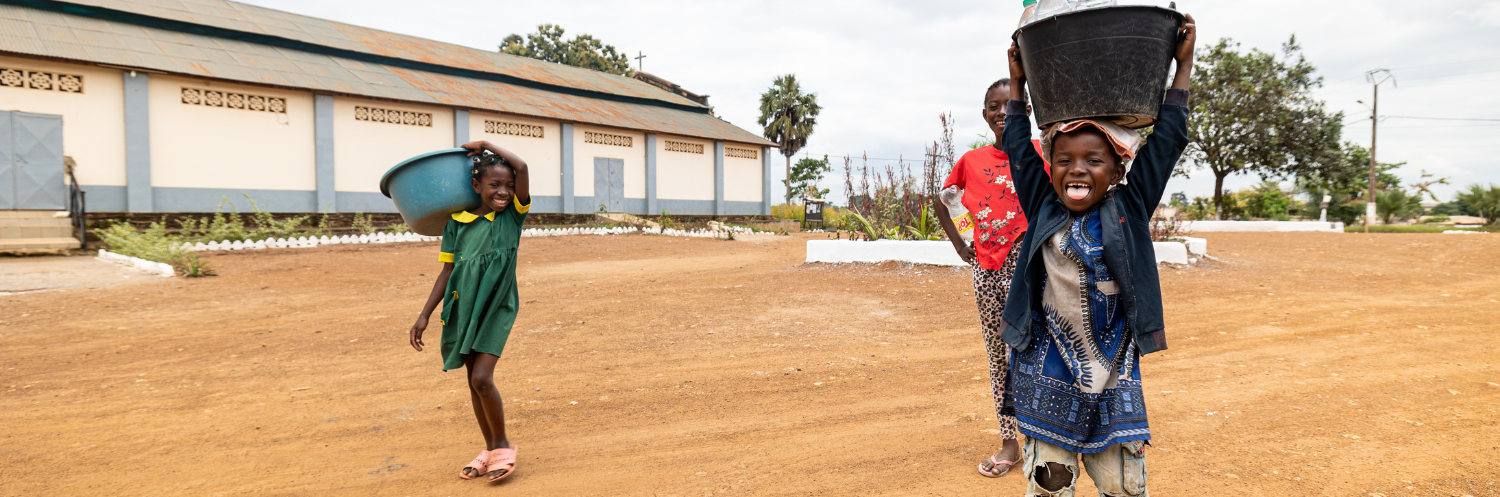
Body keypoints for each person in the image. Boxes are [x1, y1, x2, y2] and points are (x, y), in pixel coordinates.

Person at [999, 13, 1196, 497]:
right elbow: (1019, 152)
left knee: (1124, 487)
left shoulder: (1129, 206)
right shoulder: (1044, 206)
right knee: (1051, 486)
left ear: (1117, 168)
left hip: (1114, 375)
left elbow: (1166, 141)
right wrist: (1019, 85)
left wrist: (1182, 68)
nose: (1076, 170)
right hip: (1046, 370)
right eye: (1064, 160)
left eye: (1093, 160)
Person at [407, 140, 531, 483]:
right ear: (476, 186)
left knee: (482, 378)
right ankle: (491, 449)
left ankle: (504, 445)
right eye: (494, 185)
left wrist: (488, 147)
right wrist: (424, 314)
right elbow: (446, 272)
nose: (504, 192)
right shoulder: (456, 224)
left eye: (508, 186)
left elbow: (521, 168)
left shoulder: (513, 218)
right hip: (464, 306)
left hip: (497, 305)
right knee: (472, 383)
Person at [934, 78, 1032, 479]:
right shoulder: (971, 162)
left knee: (1039, 349)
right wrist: (962, 245)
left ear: (1024, 111)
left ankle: (1048, 436)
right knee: (998, 355)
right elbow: (944, 199)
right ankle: (1011, 442)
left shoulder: (1039, 156)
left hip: (1030, 268)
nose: (1002, 112)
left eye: (1010, 105)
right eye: (994, 106)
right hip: (988, 270)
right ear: (985, 114)